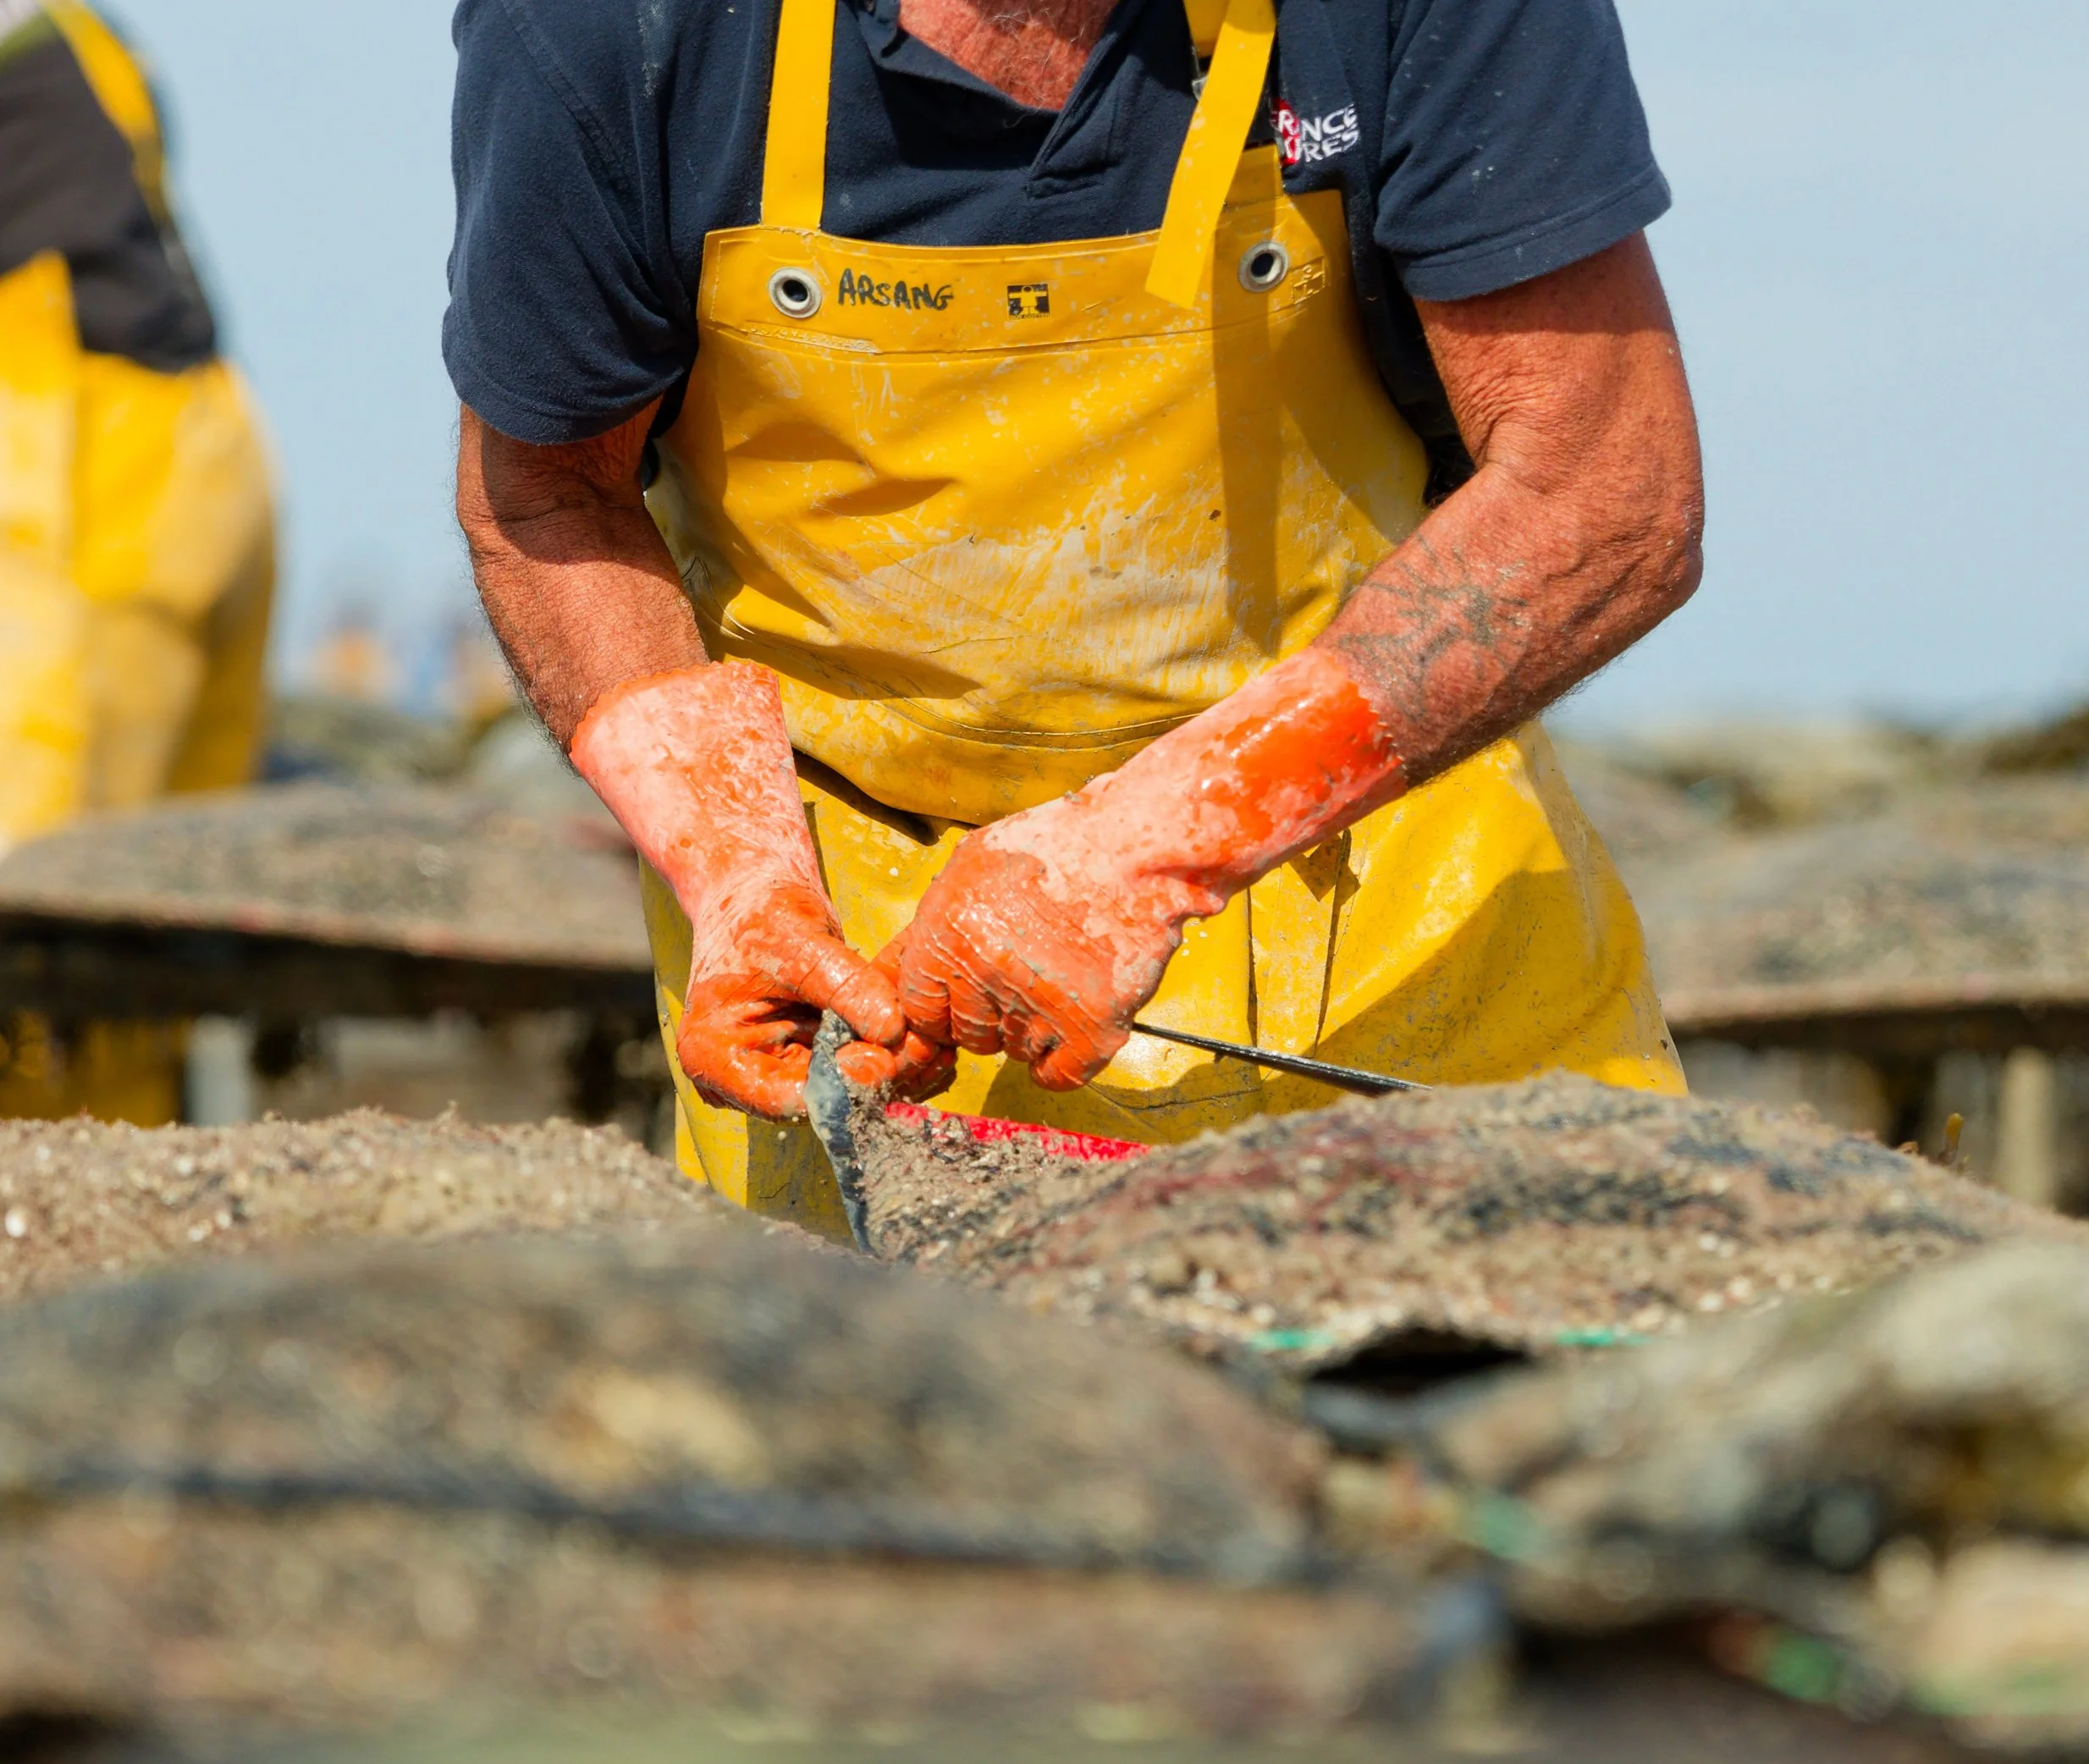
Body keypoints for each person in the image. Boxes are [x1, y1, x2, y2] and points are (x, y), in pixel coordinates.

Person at [450, 0, 1700, 1233]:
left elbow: (1607, 488)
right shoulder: (609, 28)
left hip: (1409, 934)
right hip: (879, 1001)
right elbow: (551, 494)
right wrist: (731, 870)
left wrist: (1150, 849)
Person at [0, 0, 276, 1118]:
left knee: (46, 940)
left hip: (88, 474)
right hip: (198, 452)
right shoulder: (78, 37)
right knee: (126, 950)